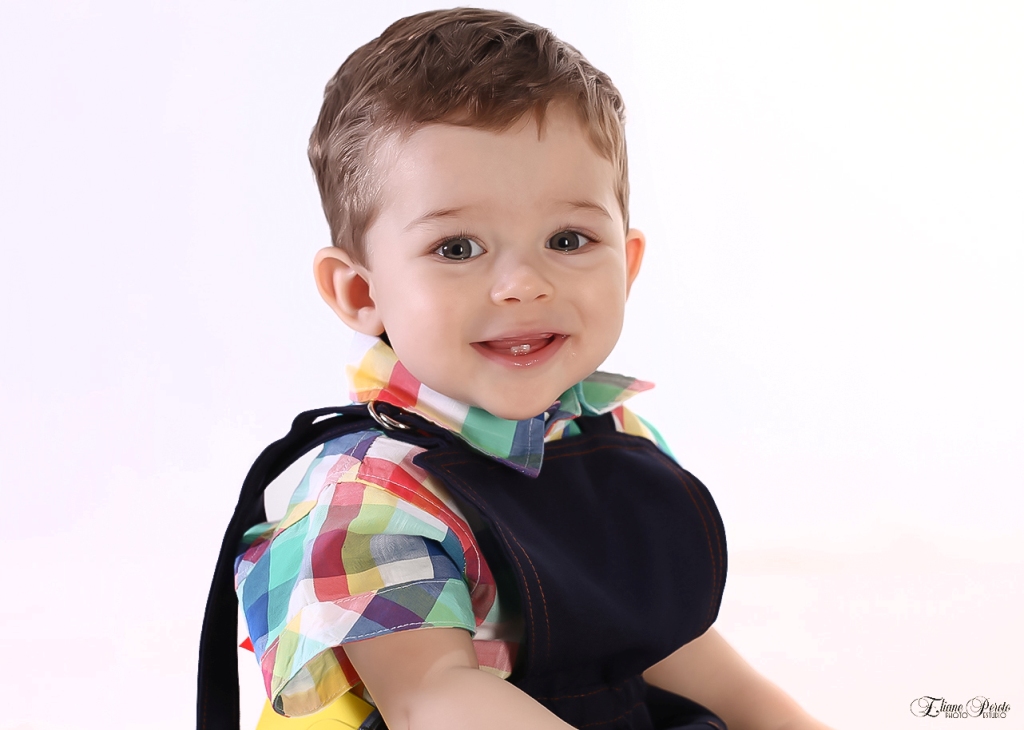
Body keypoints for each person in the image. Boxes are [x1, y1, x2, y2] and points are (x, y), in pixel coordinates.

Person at [231, 8, 834, 730]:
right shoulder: (366, 499)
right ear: (362, 293)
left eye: (568, 239)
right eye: (457, 248)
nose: (523, 284)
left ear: (626, 264)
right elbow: (432, 697)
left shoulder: (611, 441)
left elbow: (671, 647)